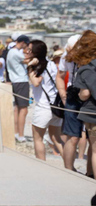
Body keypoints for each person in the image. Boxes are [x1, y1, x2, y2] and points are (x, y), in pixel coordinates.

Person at [25, 40, 64, 160]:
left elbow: (36, 82)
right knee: (56, 138)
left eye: (30, 49)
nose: (27, 51)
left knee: (38, 138)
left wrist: (30, 68)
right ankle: (69, 165)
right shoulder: (51, 64)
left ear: (35, 51)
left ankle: (41, 165)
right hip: (55, 105)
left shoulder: (36, 65)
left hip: (43, 106)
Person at [56, 32, 88, 171]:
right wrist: (63, 94)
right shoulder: (66, 57)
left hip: (88, 95)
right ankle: (68, 169)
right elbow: (60, 76)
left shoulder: (88, 57)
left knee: (91, 138)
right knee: (72, 136)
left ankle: (90, 172)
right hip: (72, 94)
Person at [73, 31, 96, 183]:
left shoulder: (87, 68)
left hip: (93, 112)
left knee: (95, 150)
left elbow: (85, 93)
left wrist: (80, 95)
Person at [7, 34, 31, 143]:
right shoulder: (16, 53)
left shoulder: (11, 52)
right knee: (23, 109)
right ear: (22, 42)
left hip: (15, 81)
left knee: (17, 108)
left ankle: (16, 132)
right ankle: (21, 135)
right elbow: (28, 60)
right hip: (21, 80)